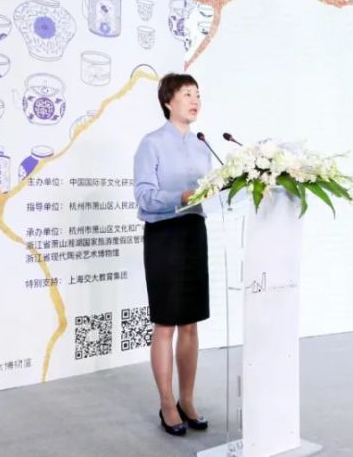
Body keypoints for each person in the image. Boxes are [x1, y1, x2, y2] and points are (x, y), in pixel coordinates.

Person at [133, 73, 212, 436]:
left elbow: (210, 193)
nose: (195, 101)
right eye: (187, 94)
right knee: (165, 323)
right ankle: (167, 404)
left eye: (198, 95)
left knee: (190, 324)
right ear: (168, 101)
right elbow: (144, 198)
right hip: (164, 235)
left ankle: (187, 399)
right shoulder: (151, 144)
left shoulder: (202, 146)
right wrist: (179, 197)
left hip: (194, 233)